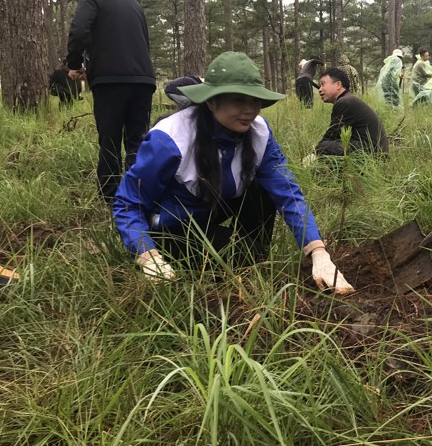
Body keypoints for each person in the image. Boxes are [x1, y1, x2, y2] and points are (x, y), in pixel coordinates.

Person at [112, 51, 355, 294]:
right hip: (174, 227)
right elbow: (128, 203)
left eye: (255, 101)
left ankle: (252, 258)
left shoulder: (259, 132)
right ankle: (218, 263)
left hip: (214, 209)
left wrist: (318, 251)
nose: (249, 110)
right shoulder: (171, 139)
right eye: (238, 100)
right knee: (233, 259)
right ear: (211, 101)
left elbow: (287, 191)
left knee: (262, 193)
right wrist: (146, 255)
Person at [66, 0, 156, 201]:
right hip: (144, 80)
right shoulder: (135, 5)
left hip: (111, 80)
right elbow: (144, 44)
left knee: (110, 141)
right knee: (137, 141)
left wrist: (73, 64)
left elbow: (79, 31)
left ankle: (110, 198)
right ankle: (139, 195)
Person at [316, 68, 388, 156]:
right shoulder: (348, 99)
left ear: (338, 85)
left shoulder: (345, 102)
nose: (320, 89)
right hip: (372, 151)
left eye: (323, 84)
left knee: (325, 146)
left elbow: (332, 135)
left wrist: (313, 154)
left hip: (371, 153)